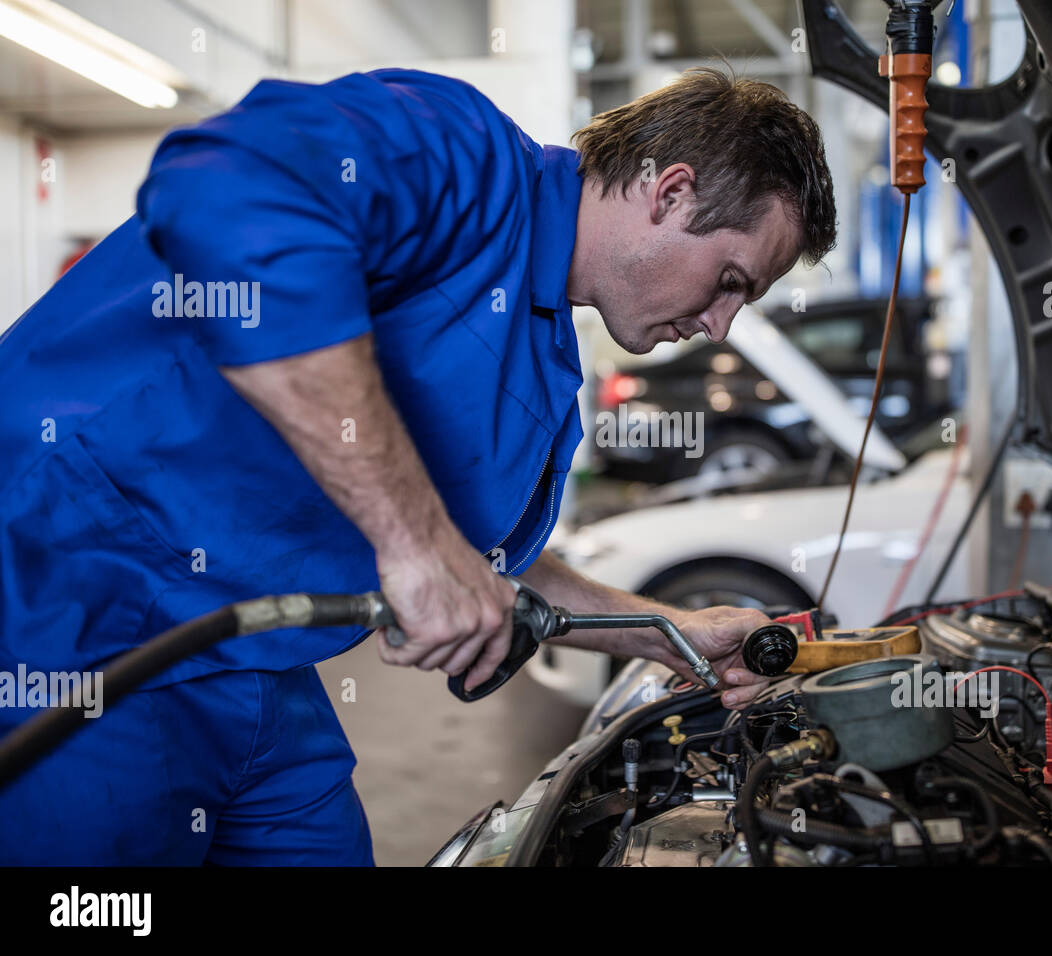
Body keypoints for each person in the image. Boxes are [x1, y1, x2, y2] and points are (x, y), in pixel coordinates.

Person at [0, 66, 836, 864]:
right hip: (77, 612)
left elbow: (482, 566)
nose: (722, 326)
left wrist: (669, 633)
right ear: (671, 191)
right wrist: (413, 542)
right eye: (730, 279)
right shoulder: (457, 152)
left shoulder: (541, 357)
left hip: (259, 660)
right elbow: (226, 188)